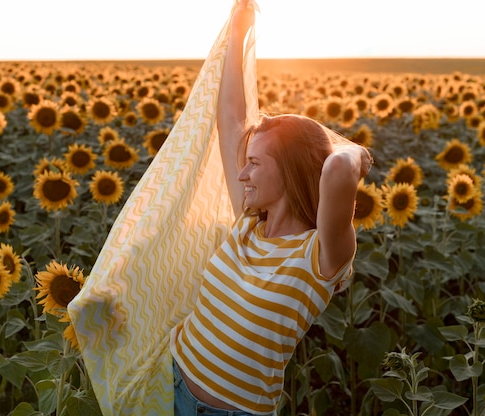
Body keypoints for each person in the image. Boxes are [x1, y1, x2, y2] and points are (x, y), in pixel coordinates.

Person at [169, 0, 373, 415]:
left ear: (292, 172)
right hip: (173, 380)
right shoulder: (247, 220)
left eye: (256, 164)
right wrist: (240, 26)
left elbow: (335, 168)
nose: (242, 174)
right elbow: (230, 119)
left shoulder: (320, 255)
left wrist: (357, 154)